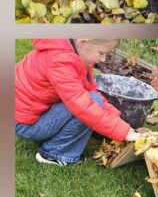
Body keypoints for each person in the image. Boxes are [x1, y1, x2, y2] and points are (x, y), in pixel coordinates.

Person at [15, 39, 140, 167]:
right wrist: (124, 133)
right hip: (25, 125)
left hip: (26, 114)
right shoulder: (62, 62)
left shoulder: (72, 52)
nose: (103, 59)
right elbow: (83, 106)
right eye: (101, 53)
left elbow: (90, 91)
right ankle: (55, 153)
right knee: (87, 106)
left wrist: (120, 122)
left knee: (92, 100)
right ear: (83, 43)